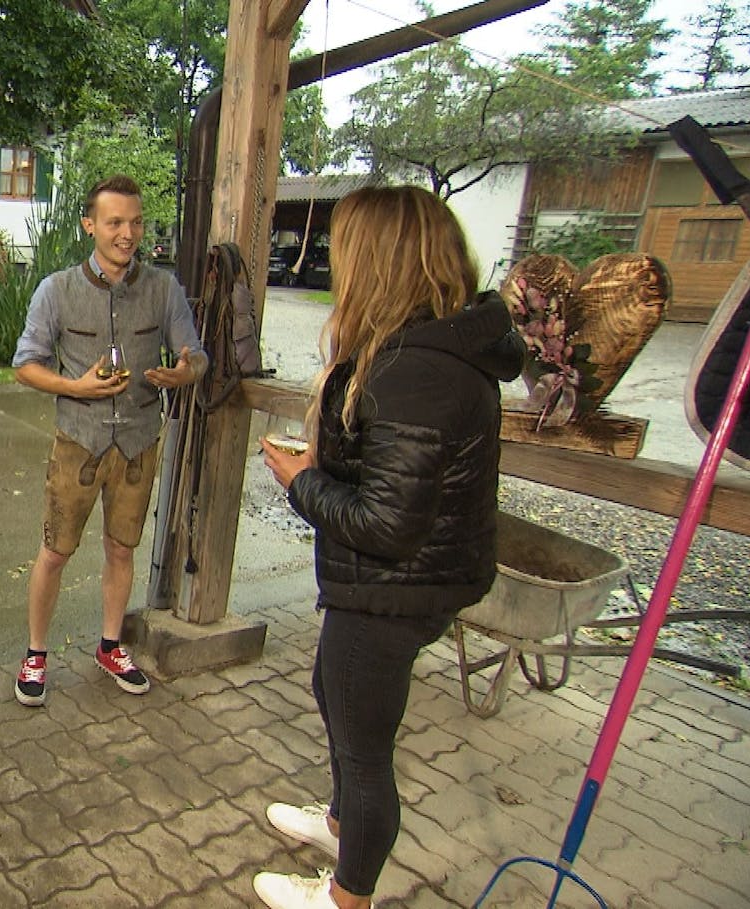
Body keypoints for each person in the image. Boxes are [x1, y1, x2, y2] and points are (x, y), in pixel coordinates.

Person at [254, 185, 524, 909]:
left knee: (366, 751)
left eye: (346, 251)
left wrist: (302, 480)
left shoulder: (415, 373)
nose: (335, 266)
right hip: (400, 579)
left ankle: (347, 896)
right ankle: (340, 825)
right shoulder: (422, 350)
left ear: (379, 261)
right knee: (333, 690)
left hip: (394, 587)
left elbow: (385, 525)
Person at [9, 174, 208, 707]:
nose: (128, 233)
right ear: (89, 225)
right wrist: (75, 387)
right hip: (78, 442)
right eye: (115, 222)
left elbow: (196, 355)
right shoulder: (57, 290)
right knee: (55, 552)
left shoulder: (164, 289)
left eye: (135, 222)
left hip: (138, 442)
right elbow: (25, 365)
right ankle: (35, 654)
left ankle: (110, 646)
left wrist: (184, 372)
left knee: (122, 549)